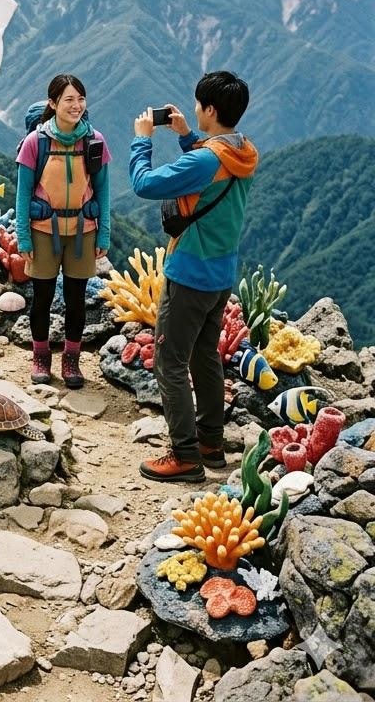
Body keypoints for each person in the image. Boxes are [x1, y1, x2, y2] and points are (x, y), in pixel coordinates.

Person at [129, 71, 258, 482]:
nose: (196, 109)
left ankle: (184, 456)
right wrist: (187, 136)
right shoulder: (243, 151)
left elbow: (144, 184)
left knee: (169, 361)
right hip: (221, 275)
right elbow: (208, 170)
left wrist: (142, 139)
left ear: (212, 110)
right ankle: (210, 443)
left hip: (189, 273)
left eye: (200, 105)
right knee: (205, 356)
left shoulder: (205, 160)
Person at [15, 74, 111, 388]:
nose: (76, 106)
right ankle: (41, 356)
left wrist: (104, 233)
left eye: (80, 99)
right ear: (53, 103)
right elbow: (23, 194)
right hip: (43, 230)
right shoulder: (36, 143)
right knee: (41, 299)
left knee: (76, 300)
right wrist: (24, 236)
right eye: (69, 100)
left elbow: (103, 191)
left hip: (83, 231)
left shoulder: (94, 141)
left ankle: (71, 359)